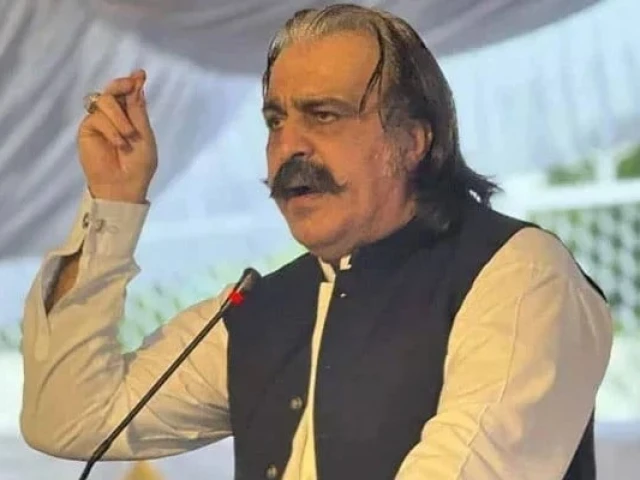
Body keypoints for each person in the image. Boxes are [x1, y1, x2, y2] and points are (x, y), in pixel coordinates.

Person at [20, 4, 613, 480]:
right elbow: (71, 418)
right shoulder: (267, 308)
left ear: (411, 142)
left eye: (324, 115)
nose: (289, 147)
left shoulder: (517, 276)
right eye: (275, 120)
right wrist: (113, 202)